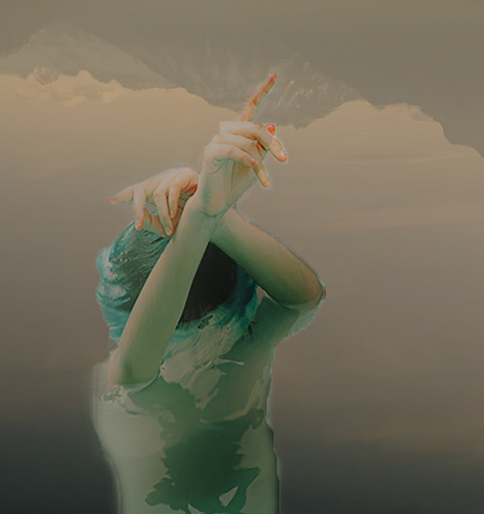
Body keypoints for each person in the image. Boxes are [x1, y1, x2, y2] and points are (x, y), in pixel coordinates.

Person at [92, 74, 325, 514]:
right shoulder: (248, 344)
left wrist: (211, 215)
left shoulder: (121, 391)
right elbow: (304, 300)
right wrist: (206, 219)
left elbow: (305, 296)